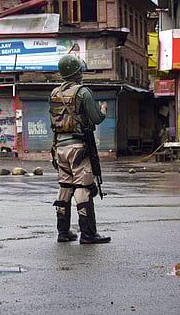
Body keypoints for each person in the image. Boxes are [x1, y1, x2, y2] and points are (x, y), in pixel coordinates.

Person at [49, 54, 111, 244]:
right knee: (82, 187)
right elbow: (95, 119)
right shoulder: (83, 92)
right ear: (77, 72)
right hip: (78, 147)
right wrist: (103, 111)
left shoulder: (54, 93)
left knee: (65, 186)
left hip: (59, 146)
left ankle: (63, 232)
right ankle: (88, 234)